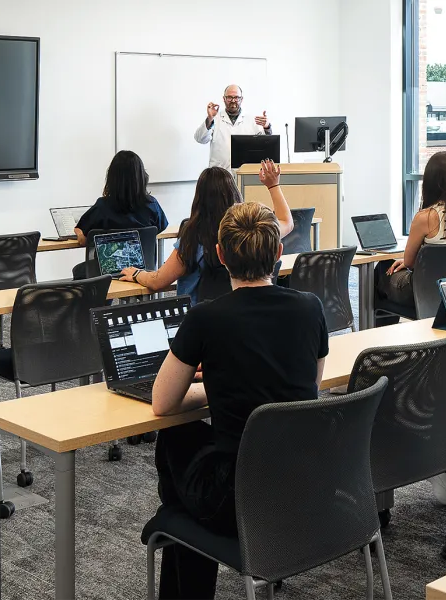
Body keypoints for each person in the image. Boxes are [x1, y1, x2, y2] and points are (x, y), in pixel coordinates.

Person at [146, 201, 330, 600]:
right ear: (278, 252)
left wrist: (211, 384)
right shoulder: (310, 307)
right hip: (308, 483)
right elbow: (309, 388)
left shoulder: (206, 318)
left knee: (178, 440)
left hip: (239, 496)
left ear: (220, 255)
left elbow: (162, 403)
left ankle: (184, 542)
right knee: (192, 458)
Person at [120, 160, 292, 303]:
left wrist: (137, 273)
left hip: (202, 322)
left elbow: (158, 281)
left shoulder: (193, 237)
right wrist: (273, 185)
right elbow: (287, 222)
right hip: (246, 312)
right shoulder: (250, 233)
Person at [375, 151, 446, 314]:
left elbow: (409, 263)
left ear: (431, 181)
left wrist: (414, 261)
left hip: (426, 290)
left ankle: (379, 332)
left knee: (382, 270)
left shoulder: (426, 217)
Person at [73, 150, 170, 246]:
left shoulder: (102, 207)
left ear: (111, 179)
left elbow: (82, 236)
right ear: (141, 177)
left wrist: (80, 234)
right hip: (145, 262)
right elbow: (159, 228)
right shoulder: (152, 205)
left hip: (108, 261)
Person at [194, 84, 271, 170]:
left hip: (244, 173)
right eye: (229, 97)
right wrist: (210, 118)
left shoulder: (252, 120)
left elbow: (266, 146)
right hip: (219, 174)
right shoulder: (215, 119)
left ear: (241, 99)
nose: (233, 100)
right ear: (224, 99)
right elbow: (200, 139)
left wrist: (267, 127)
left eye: (237, 97)